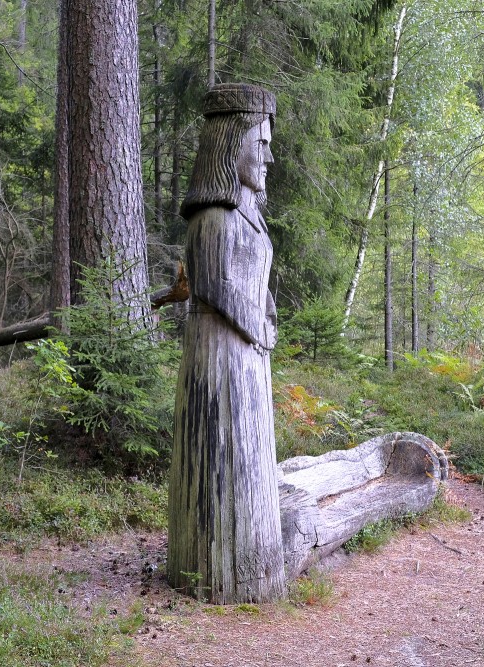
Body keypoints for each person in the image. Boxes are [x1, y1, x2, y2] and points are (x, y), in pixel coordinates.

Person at [168, 83, 286, 603]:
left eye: (268, 144)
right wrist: (253, 324)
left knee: (253, 461)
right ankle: (213, 571)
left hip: (250, 362)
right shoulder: (212, 215)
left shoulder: (250, 215)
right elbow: (212, 282)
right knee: (222, 463)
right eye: (258, 144)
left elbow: (255, 280)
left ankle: (259, 565)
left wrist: (269, 315)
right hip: (217, 362)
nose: (268, 156)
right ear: (228, 146)